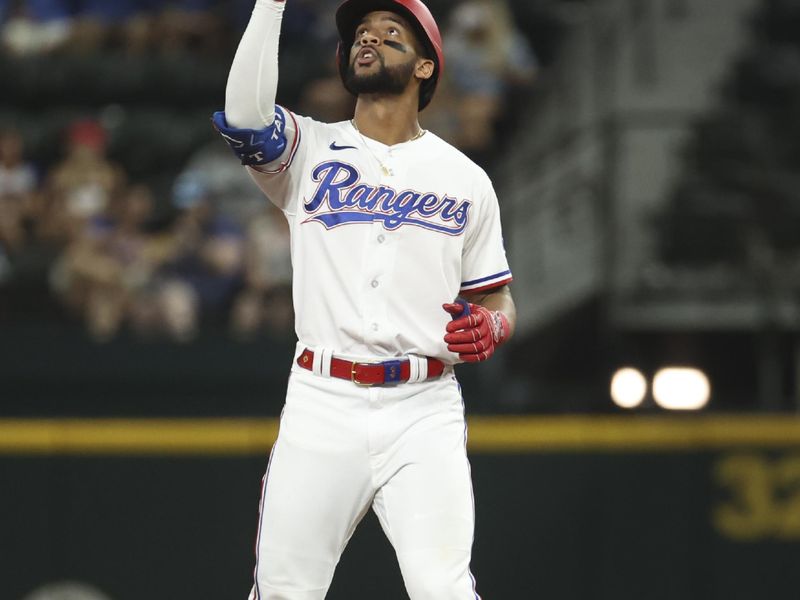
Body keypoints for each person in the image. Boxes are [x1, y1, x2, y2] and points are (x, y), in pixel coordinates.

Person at [213, 0, 516, 597]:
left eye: (390, 33)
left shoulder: (465, 179)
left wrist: (495, 327)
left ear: (426, 66)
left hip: (424, 406)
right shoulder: (307, 150)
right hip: (323, 399)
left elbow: (499, 300)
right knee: (282, 590)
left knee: (445, 589)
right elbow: (246, 114)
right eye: (360, 34)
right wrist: (272, 4)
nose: (369, 38)